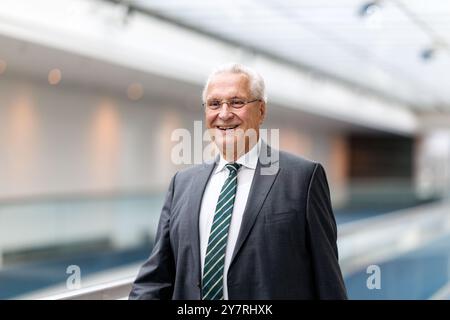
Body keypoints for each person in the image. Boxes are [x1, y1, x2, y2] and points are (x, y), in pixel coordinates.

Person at [129, 63, 347, 300]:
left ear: (261, 110)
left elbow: (328, 282)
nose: (224, 114)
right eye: (214, 104)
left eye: (237, 102)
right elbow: (156, 277)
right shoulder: (182, 184)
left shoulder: (303, 179)